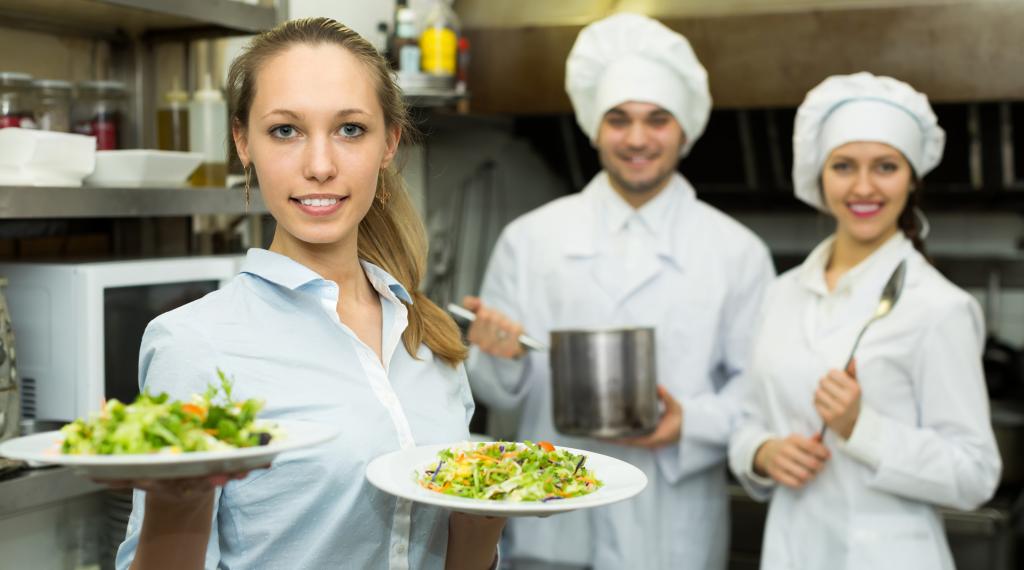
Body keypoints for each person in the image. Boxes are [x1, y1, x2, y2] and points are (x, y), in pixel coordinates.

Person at [113, 17, 504, 570]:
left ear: (389, 143)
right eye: (285, 131)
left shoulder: (429, 338)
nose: (320, 166)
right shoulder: (195, 345)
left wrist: (488, 513)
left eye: (350, 129)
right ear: (243, 142)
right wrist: (180, 501)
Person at [463, 13, 775, 570]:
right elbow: (495, 392)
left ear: (684, 130)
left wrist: (690, 423)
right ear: (593, 127)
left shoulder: (736, 251)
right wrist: (500, 356)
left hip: (672, 530)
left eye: (657, 119)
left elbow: (759, 393)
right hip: (552, 521)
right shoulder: (531, 239)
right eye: (618, 119)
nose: (636, 139)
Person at [728, 72, 1001, 569]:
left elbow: (976, 474)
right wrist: (762, 452)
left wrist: (861, 429)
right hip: (790, 551)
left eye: (885, 166)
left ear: (912, 178)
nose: (863, 187)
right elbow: (747, 418)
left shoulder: (938, 307)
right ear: (820, 176)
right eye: (843, 166)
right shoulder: (781, 293)